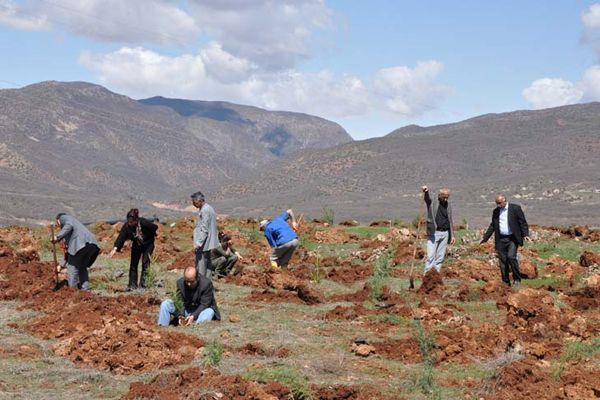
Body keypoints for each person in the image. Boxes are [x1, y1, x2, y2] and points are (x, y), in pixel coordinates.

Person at [480, 194, 530, 288]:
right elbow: (493, 225)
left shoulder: (515, 208)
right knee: (502, 261)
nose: (498, 205)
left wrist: (525, 234)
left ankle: (517, 279)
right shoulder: (496, 211)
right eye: (497, 203)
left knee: (511, 257)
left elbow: (522, 222)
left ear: (504, 200)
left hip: (512, 238)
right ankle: (506, 282)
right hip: (501, 239)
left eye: (500, 203)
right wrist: (485, 238)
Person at [108, 208, 158, 291]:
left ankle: (143, 285)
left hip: (148, 244)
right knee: (133, 264)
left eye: (132, 222)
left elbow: (154, 227)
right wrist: (115, 248)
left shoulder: (143, 222)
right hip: (137, 243)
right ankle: (132, 285)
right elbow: (121, 237)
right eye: (129, 221)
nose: (130, 223)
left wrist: (152, 235)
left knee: (145, 263)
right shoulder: (127, 226)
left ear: (136, 220)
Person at [52, 213, 100, 290]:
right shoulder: (73, 231)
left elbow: (69, 225)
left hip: (81, 244)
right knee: (82, 267)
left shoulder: (64, 218)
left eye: (57, 223)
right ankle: (85, 290)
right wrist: (60, 266)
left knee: (72, 268)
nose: (58, 226)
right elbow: (68, 253)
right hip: (92, 245)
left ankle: (72, 292)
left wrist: (57, 237)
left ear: (58, 220)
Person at [422, 186, 455, 273]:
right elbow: (427, 199)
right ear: (439, 195)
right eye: (444, 197)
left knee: (440, 257)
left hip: (445, 233)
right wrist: (426, 192)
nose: (445, 199)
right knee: (430, 256)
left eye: (447, 197)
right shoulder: (433, 202)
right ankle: (427, 276)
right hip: (434, 232)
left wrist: (452, 235)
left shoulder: (448, 205)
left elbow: (450, 220)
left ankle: (436, 277)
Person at [191, 191, 219, 279]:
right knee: (207, 264)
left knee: (201, 265)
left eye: (194, 202)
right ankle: (207, 283)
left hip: (203, 243)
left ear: (199, 200)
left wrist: (198, 243)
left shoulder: (205, 210)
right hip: (207, 243)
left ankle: (201, 284)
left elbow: (204, 228)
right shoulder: (208, 208)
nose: (193, 204)